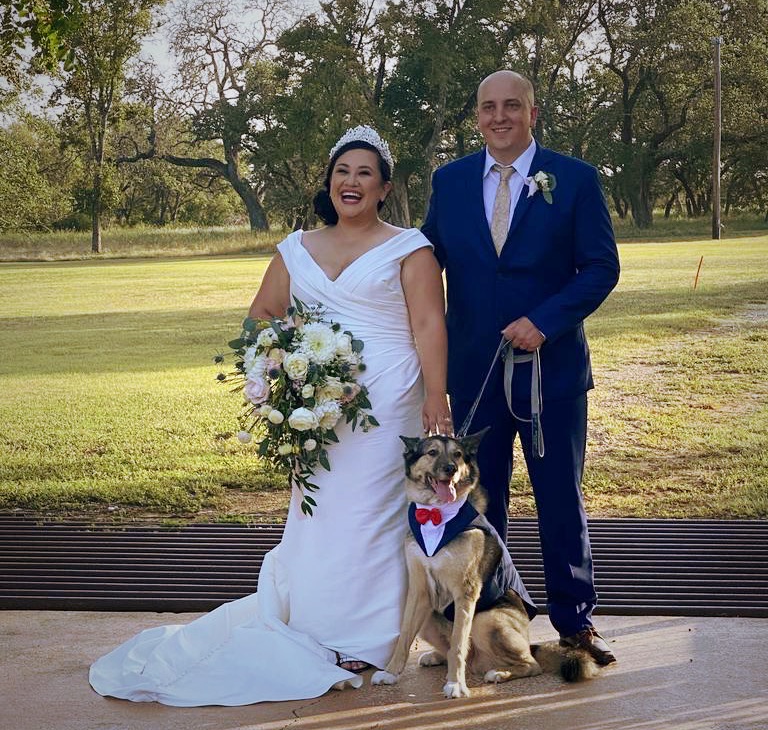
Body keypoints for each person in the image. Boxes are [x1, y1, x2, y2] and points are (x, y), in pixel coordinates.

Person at [88, 125, 452, 706]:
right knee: (322, 508)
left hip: (390, 395)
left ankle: (370, 638)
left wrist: (437, 394)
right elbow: (262, 313)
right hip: (321, 403)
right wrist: (291, 367)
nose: (350, 182)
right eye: (341, 172)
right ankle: (314, 625)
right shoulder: (295, 248)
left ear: (384, 188)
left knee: (377, 511)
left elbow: (430, 324)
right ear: (329, 183)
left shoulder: (410, 247)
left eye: (364, 174)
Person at [421, 70, 621, 666]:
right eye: (488, 107)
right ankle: (493, 620)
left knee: (560, 494)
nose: (499, 117)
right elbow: (424, 260)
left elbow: (600, 267)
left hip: (551, 372)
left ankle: (576, 622)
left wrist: (545, 320)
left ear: (533, 112)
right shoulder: (450, 181)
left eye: (512, 106)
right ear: (477, 115)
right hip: (475, 374)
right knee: (482, 502)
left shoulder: (576, 180)